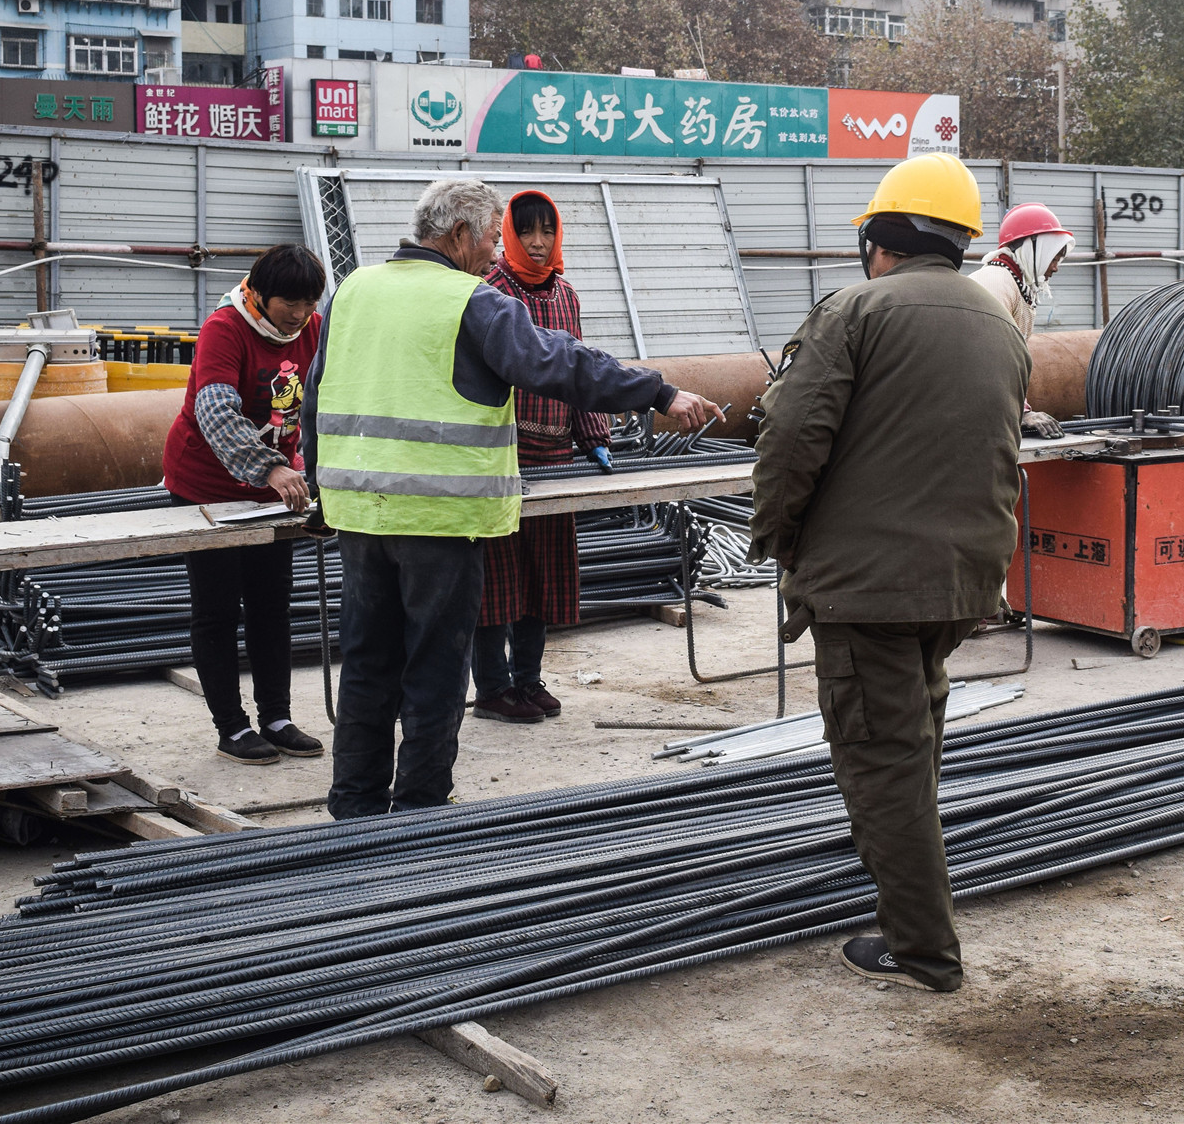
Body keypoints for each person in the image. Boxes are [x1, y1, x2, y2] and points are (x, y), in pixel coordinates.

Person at [305, 178, 718, 818]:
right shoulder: (471, 301)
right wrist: (657, 393)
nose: (498, 255)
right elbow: (558, 363)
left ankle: (353, 809)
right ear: (462, 235)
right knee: (436, 671)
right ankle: (418, 812)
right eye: (493, 237)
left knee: (366, 664)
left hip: (358, 514)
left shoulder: (352, 292)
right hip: (441, 519)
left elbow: (316, 397)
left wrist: (317, 493)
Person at [750, 152, 1030, 994]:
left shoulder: (855, 311)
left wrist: (779, 539)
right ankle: (903, 890)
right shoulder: (998, 325)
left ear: (881, 238)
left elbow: (792, 440)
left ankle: (921, 949)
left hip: (868, 584)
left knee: (881, 759)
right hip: (961, 581)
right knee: (913, 744)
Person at [160, 243, 328, 765]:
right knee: (216, 608)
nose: (300, 316)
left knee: (271, 604)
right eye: (289, 305)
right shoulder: (225, 328)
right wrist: (269, 468)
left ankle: (276, 717)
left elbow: (325, 396)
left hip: (275, 488)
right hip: (205, 484)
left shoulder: (312, 328)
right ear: (257, 294)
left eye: (308, 304)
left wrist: (316, 472)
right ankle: (230, 727)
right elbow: (215, 411)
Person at [470, 190, 606, 724]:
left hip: (554, 456)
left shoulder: (566, 295)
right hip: (502, 457)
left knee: (544, 575)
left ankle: (528, 679)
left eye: (547, 231)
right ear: (507, 234)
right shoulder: (489, 292)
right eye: (527, 231)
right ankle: (492, 690)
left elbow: (581, 367)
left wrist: (593, 433)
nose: (538, 242)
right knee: (497, 579)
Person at [970, 203, 1074, 439]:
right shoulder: (996, 282)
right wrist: (1021, 413)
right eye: (1053, 257)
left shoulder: (1015, 282)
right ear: (1033, 249)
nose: (1056, 267)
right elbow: (989, 358)